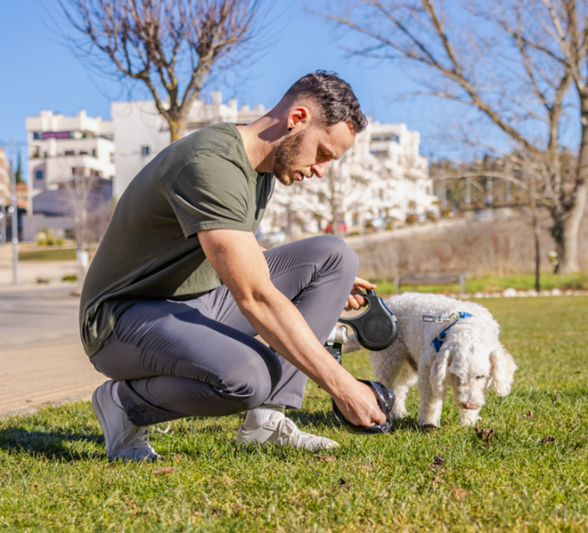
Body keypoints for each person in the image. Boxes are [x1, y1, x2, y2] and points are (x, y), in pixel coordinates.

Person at [80, 71, 386, 462]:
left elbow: (238, 256)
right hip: (120, 320)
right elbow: (255, 296)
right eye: (323, 153)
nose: (320, 170)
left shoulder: (261, 169)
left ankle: (266, 423)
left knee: (333, 258)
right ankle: (125, 404)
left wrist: (323, 284)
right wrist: (344, 386)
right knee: (248, 378)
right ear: (297, 119)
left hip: (193, 302)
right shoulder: (211, 164)